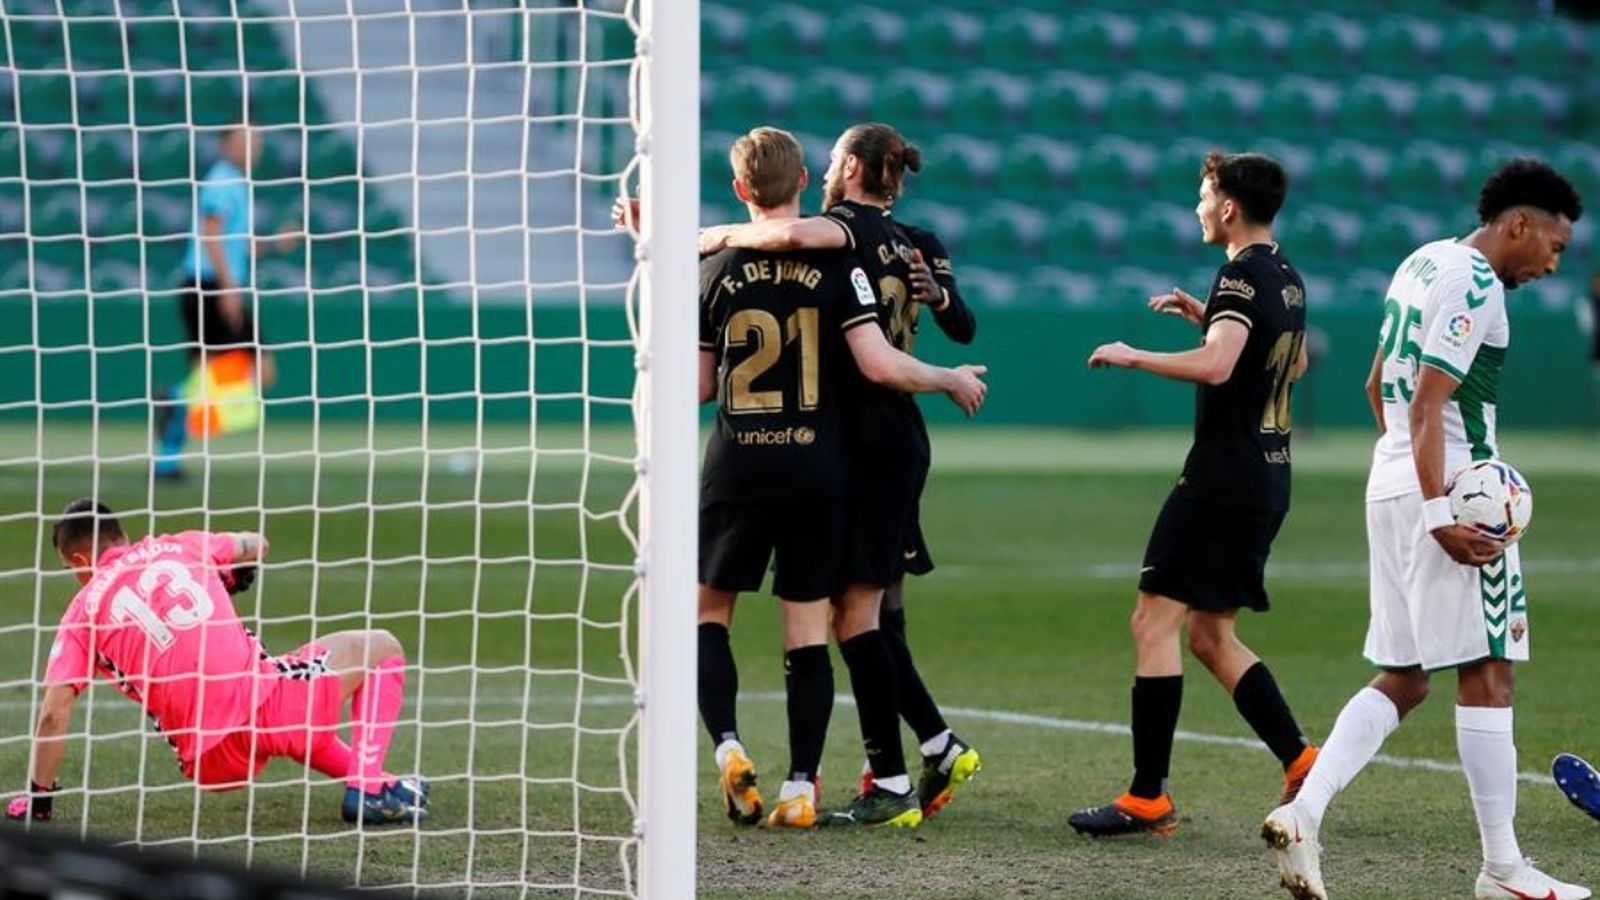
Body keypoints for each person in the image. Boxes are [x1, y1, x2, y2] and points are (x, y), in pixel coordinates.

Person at [1263, 159, 1586, 900]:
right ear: (1519, 225)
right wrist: (1444, 511)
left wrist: (1410, 481)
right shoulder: (1477, 286)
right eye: (1555, 246)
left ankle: (1304, 812)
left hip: (1391, 484)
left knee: (1406, 678)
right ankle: (1502, 870)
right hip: (1454, 493)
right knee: (1490, 671)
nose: (1551, 264)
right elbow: (1427, 400)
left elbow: (1380, 383)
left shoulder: (1420, 261)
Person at [694, 127, 987, 830]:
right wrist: (942, 317)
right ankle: (899, 755)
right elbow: (955, 328)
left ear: (851, 169)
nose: (825, 173)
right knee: (857, 613)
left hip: (823, 444)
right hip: (855, 448)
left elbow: (785, 242)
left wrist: (697, 237)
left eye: (834, 162)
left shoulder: (831, 235)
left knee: (851, 614)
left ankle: (887, 774)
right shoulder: (911, 242)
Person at [1069, 152, 1318, 837]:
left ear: (1230, 206)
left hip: (1221, 479)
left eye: (1204, 197)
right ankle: (1302, 761)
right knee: (1210, 633)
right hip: (1267, 476)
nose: (1198, 208)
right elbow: (1289, 362)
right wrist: (1207, 316)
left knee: (1153, 623)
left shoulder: (1240, 273)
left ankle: (1147, 796)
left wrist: (1133, 354)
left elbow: (1218, 364)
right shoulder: (1286, 274)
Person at [5, 499, 429, 827]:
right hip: (262, 705)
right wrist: (233, 569)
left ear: (79, 562)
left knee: (295, 714)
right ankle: (368, 790)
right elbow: (255, 544)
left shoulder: (81, 614)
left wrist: (39, 797)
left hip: (208, 761)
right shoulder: (179, 544)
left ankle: (384, 783)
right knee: (383, 647)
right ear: (123, 537)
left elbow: (53, 716)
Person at [154, 123, 298, 480]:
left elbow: (238, 245)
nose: (255, 148)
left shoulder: (236, 184)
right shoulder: (222, 182)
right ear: (226, 145)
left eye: (259, 141)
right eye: (247, 140)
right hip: (210, 287)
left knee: (209, 377)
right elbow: (211, 236)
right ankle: (173, 409)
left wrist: (276, 244)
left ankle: (168, 451)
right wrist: (229, 289)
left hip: (210, 285)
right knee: (259, 370)